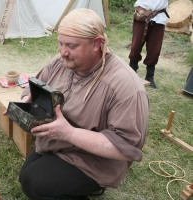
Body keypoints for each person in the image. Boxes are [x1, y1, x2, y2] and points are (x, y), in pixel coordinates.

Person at [17, 8, 149, 199]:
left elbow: (126, 148)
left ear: (96, 43)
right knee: (26, 177)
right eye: (60, 44)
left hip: (94, 159)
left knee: (36, 184)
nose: (63, 52)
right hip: (59, 143)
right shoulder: (61, 61)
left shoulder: (125, 86)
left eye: (71, 45)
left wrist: (68, 133)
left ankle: (93, 185)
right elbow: (36, 84)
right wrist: (25, 102)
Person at [128, 0, 169, 88]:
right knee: (136, 46)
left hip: (159, 18)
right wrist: (140, 9)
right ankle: (132, 73)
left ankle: (149, 76)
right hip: (141, 15)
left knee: (155, 49)